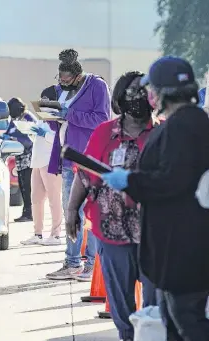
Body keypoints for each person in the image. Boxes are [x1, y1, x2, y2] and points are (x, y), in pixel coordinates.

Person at [102, 57, 209, 341]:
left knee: (189, 324)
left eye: (151, 90)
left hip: (184, 250)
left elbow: (171, 180)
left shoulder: (182, 128)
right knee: (175, 324)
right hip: (183, 248)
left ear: (162, 92)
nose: (148, 97)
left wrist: (130, 180)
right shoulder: (191, 123)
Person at [66, 71, 157, 341]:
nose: (138, 99)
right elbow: (84, 173)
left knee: (155, 309)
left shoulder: (163, 133)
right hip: (111, 233)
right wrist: (72, 210)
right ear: (120, 98)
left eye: (144, 93)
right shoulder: (105, 132)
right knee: (121, 307)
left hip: (156, 235)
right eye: (132, 93)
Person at [46, 49, 111, 281]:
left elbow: (102, 118)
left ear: (77, 75)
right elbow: (66, 120)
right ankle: (72, 262)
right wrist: (53, 115)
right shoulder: (63, 92)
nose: (62, 83)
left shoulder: (97, 86)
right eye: (59, 79)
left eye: (65, 79)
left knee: (90, 212)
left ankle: (93, 264)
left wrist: (70, 114)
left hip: (89, 159)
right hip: (68, 159)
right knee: (71, 212)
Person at [20, 85, 62, 246]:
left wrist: (45, 134)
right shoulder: (41, 117)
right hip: (37, 162)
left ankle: (56, 235)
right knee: (36, 199)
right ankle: (37, 234)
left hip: (50, 162)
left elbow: (59, 138)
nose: (43, 102)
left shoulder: (57, 118)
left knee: (54, 199)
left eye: (46, 100)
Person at [4, 97, 37, 222]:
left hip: (29, 158)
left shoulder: (28, 118)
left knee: (28, 186)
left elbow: (30, 139)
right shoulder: (16, 119)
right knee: (22, 185)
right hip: (20, 156)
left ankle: (30, 212)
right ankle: (26, 211)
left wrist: (17, 138)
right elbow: (9, 132)